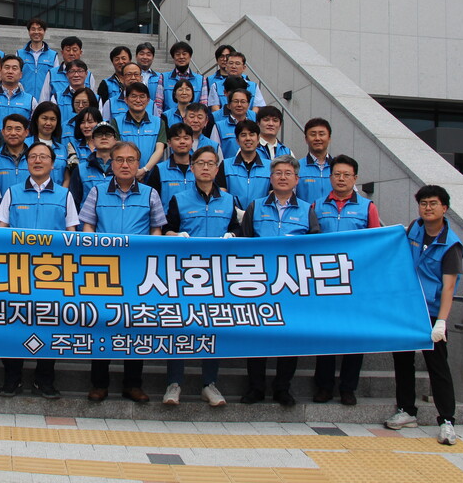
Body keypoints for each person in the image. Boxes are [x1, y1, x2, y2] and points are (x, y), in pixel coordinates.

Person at [80, 141, 166, 403]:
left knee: (135, 325)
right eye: (119, 159)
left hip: (137, 272)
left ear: (138, 164)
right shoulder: (97, 191)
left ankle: (133, 384)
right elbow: (88, 227)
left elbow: (156, 230)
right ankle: (99, 384)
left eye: (130, 160)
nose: (125, 164)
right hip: (103, 272)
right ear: (112, 163)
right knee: (102, 324)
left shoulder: (150, 194)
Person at [0, 141, 79, 399]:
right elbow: (1, 230)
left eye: (43, 157)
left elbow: (72, 235)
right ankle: (12, 378)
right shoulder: (12, 192)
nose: (38, 161)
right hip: (17, 271)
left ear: (53, 164)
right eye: (33, 157)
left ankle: (45, 380)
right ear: (27, 162)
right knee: (13, 324)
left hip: (52, 273)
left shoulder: (64, 195)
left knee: (49, 325)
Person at [385, 185, 463, 446]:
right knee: (402, 361)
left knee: (437, 367)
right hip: (407, 309)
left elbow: (449, 287)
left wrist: (441, 321)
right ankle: (406, 410)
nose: (428, 208)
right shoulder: (414, 229)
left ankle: (447, 420)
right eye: (423, 203)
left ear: (445, 208)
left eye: (433, 203)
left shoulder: (451, 245)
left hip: (431, 312)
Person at [161, 145, 239, 407]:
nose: (205, 168)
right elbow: (166, 230)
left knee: (213, 327)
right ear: (192, 167)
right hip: (185, 273)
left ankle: (209, 384)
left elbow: (237, 229)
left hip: (217, 274)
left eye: (211, 164)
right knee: (178, 326)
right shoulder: (179, 198)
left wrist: (233, 236)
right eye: (200, 163)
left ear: (217, 169)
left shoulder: (229, 200)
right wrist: (176, 235)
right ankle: (174, 383)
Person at [239, 155, 319, 407]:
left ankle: (283, 388)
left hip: (292, 284)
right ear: (270, 178)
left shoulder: (307, 210)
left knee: (290, 336)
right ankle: (256, 388)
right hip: (259, 282)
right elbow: (244, 242)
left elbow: (316, 247)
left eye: (288, 173)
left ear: (297, 179)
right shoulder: (256, 206)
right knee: (257, 336)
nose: (283, 177)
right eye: (278, 173)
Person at [311, 154, 381, 406]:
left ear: (355, 178)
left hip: (355, 282)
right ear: (330, 177)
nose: (341, 179)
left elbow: (376, 243)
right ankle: (324, 386)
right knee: (325, 335)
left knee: (354, 335)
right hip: (325, 281)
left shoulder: (367, 207)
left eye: (346, 175)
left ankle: (348, 387)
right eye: (337, 174)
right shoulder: (316, 206)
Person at [216, 119, 271, 213]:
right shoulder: (225, 165)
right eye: (243, 135)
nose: (248, 138)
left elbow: (272, 197)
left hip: (261, 217)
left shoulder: (269, 167)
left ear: (258, 139)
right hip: (232, 217)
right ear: (237, 140)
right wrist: (237, 213)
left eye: (252, 134)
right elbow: (221, 195)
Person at [111, 82, 166, 176]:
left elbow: (159, 150)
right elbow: (117, 150)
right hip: (126, 174)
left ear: (148, 100)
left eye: (142, 96)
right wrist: (132, 171)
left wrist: (145, 169)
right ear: (126, 100)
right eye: (134, 96)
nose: (138, 100)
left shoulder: (159, 122)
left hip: (153, 175)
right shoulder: (116, 122)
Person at [145, 122, 194, 209]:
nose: (182, 142)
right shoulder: (159, 170)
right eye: (177, 139)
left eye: (186, 138)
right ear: (169, 143)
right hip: (167, 216)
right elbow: (151, 201)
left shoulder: (200, 168)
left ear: (192, 142)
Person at [70, 122, 118, 207]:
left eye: (108, 134)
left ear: (115, 140)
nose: (104, 137)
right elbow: (74, 202)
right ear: (92, 141)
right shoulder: (81, 169)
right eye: (99, 134)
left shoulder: (122, 167)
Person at [0, 114, 31, 195]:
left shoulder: (34, 157)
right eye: (9, 129)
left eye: (18, 129)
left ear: (26, 132)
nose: (13, 133)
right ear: (3, 132)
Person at [40, 35, 95, 103]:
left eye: (75, 50)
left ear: (80, 53)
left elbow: (93, 100)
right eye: (68, 50)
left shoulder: (88, 75)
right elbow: (44, 99)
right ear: (62, 53)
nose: (71, 53)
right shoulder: (52, 74)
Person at [28, 101, 69, 186]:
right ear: (36, 120)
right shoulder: (25, 145)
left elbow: (67, 178)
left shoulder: (62, 149)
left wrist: (61, 193)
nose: (48, 123)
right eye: (44, 118)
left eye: (52, 119)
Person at [156, 41, 204, 113]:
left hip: (193, 119)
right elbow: (158, 104)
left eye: (184, 54)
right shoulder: (163, 78)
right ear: (173, 57)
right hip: (169, 118)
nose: (181, 57)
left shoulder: (201, 80)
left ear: (190, 56)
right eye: (177, 54)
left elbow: (203, 106)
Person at [0, 55, 37, 123]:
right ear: (0, 72)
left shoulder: (31, 101)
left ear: (21, 74)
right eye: (7, 68)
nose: (10, 71)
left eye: (14, 68)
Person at [210, 88, 256, 162]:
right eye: (236, 101)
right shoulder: (219, 127)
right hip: (227, 168)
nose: (239, 105)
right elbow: (214, 152)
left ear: (248, 105)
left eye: (243, 102)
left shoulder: (254, 126)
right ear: (229, 105)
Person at [18, 18, 57, 99]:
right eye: (33, 29)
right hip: (24, 100)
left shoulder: (53, 55)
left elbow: (55, 79)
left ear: (44, 31)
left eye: (40, 29)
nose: (36, 32)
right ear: (29, 32)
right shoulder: (19, 54)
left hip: (45, 101)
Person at [297, 118, 334, 204]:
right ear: (306, 139)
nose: (317, 138)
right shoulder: (297, 167)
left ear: (329, 138)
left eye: (321, 134)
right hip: (306, 213)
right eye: (313, 134)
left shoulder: (338, 168)